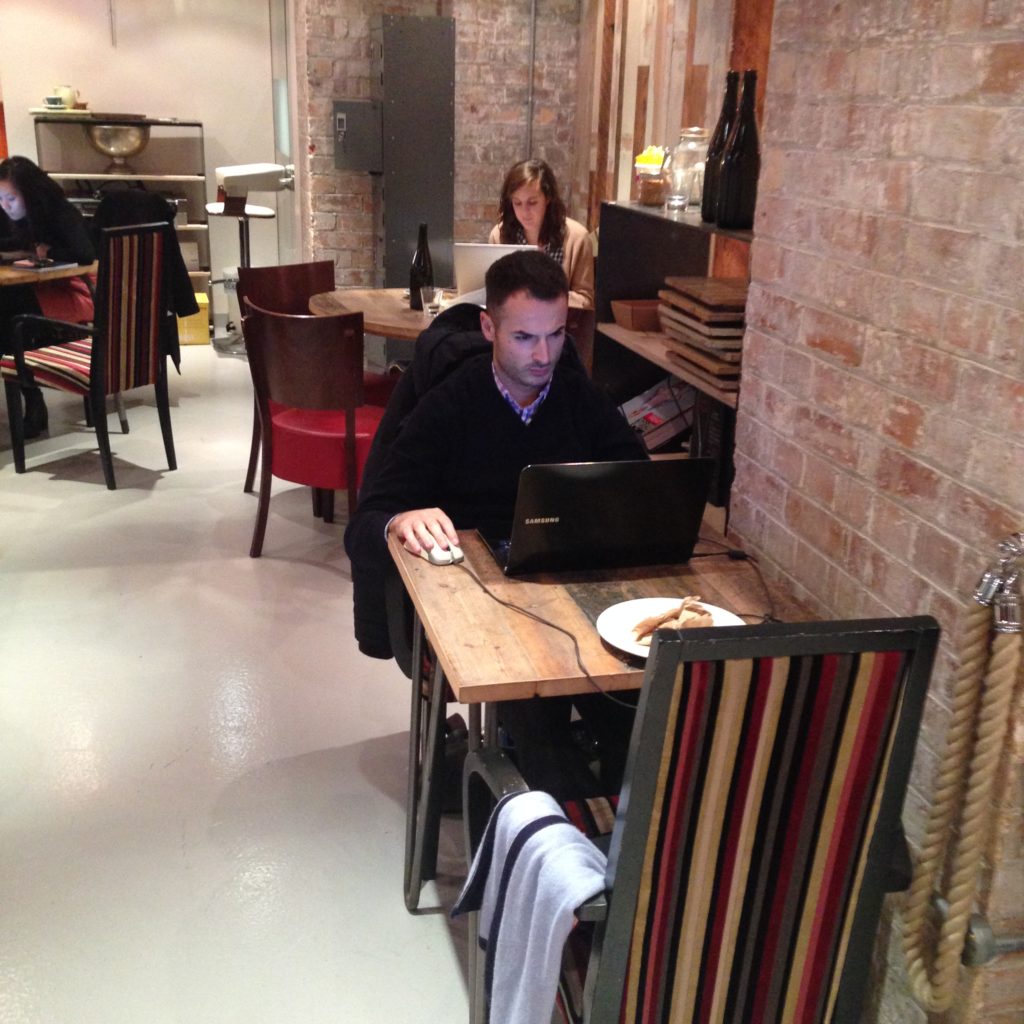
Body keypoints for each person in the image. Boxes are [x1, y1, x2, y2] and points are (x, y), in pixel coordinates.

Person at [345, 250, 645, 798]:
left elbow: (639, 482)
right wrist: (399, 520)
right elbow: (362, 526)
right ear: (488, 327)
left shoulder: (577, 397)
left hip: (569, 586)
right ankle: (565, 857)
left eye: (556, 336)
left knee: (639, 718)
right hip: (482, 604)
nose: (544, 354)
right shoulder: (449, 406)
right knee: (538, 725)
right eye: (524, 338)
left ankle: (630, 848)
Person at [0, 155, 95, 437]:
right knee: (7, 311)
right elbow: (17, 244)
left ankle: (32, 400)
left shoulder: (59, 212)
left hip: (75, 292)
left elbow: (85, 254)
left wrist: (47, 253)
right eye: (1, 198)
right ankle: (30, 397)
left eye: (10, 199)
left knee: (7, 313)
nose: (5, 205)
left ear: (30, 194)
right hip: (46, 290)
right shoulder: (22, 217)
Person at [489, 159, 594, 308]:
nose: (525, 212)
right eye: (517, 203)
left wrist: (541, 298)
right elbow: (493, 293)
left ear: (548, 198)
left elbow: (585, 300)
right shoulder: (499, 235)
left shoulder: (577, 238)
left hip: (559, 326)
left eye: (532, 202)